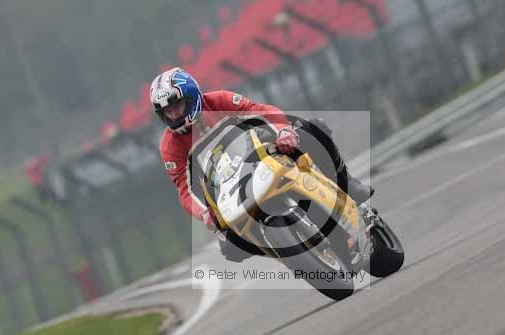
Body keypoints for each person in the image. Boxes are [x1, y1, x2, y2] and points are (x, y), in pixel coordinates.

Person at [151, 67, 373, 259]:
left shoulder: (219, 100)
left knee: (312, 129)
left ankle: (346, 184)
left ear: (192, 97)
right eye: (167, 112)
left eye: (177, 106)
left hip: (258, 156)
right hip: (224, 193)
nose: (173, 115)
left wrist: (283, 131)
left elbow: (261, 110)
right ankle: (292, 255)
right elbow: (184, 189)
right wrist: (204, 214)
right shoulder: (169, 146)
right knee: (232, 250)